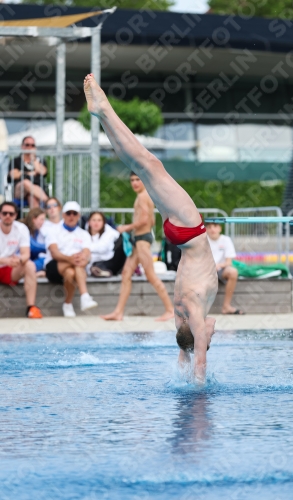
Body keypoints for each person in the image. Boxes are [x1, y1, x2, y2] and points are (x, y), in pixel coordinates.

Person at [84, 74, 217, 383]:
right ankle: (102, 113)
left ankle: (104, 109)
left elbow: (197, 359)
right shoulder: (181, 317)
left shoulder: (195, 317)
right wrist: (186, 354)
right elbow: (184, 350)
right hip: (179, 235)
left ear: (202, 338)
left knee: (149, 164)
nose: (213, 330)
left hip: (190, 231)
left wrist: (198, 384)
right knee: (143, 167)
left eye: (209, 337)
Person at [102, 171, 174, 321]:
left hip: (142, 240)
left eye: (138, 179)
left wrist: (125, 227)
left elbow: (145, 220)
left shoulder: (142, 197)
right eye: (132, 180)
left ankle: (170, 310)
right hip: (139, 240)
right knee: (126, 274)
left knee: (151, 276)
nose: (135, 183)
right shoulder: (146, 196)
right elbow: (152, 221)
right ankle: (118, 312)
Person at [44, 201, 98, 318]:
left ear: (78, 216)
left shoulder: (83, 234)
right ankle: (84, 296)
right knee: (76, 265)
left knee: (71, 272)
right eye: (69, 213)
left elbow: (87, 253)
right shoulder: (54, 231)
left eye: (74, 213)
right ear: (63, 215)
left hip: (72, 267)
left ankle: (68, 304)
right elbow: (54, 253)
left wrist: (83, 258)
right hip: (54, 267)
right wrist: (72, 259)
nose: (71, 216)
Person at [0, 201, 43, 318]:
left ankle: (31, 308)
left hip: (10, 269)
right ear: (0, 214)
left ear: (15, 215)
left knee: (29, 265)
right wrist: (5, 260)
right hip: (5, 264)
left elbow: (26, 254)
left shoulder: (21, 228)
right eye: (4, 213)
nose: (7, 216)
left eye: (11, 213)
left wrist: (18, 260)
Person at [206, 222, 245, 315]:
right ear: (206, 229)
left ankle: (226, 306)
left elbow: (228, 262)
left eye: (215, 226)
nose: (212, 229)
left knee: (233, 272)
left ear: (220, 228)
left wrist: (218, 265)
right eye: (209, 227)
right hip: (206, 270)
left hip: (220, 269)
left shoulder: (226, 240)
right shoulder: (202, 241)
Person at [7, 136, 48, 208]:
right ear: (22, 146)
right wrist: (31, 173)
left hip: (37, 190)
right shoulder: (16, 161)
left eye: (32, 145)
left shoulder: (39, 160)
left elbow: (43, 172)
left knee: (32, 197)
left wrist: (34, 160)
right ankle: (49, 202)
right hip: (20, 190)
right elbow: (14, 175)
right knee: (25, 182)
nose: (30, 147)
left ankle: (35, 218)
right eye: (27, 145)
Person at [87, 211, 126, 277]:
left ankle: (101, 270)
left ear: (103, 222)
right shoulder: (85, 234)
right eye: (94, 220)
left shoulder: (110, 233)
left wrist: (87, 250)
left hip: (111, 260)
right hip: (95, 260)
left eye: (99, 220)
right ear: (89, 222)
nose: (96, 223)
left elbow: (102, 248)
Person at [23, 207, 47, 277]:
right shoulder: (23, 227)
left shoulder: (36, 230)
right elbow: (33, 247)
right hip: (20, 257)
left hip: (29, 257)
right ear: (33, 219)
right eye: (41, 219)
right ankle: (30, 273)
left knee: (45, 258)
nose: (43, 222)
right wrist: (50, 247)